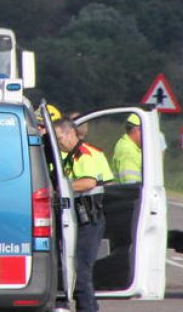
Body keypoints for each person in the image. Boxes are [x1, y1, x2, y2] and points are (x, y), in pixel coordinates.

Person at [54, 117, 113, 312]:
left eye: (59, 138)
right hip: (74, 218)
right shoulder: (67, 155)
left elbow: (88, 182)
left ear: (71, 133)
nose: (58, 142)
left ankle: (87, 308)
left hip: (88, 218)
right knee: (69, 265)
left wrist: (59, 189)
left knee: (81, 268)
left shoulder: (84, 154)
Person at [111, 112, 143, 185]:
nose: (146, 134)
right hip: (133, 195)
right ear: (134, 130)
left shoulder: (130, 146)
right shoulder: (128, 151)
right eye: (143, 130)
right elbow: (131, 184)